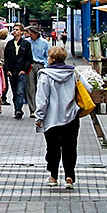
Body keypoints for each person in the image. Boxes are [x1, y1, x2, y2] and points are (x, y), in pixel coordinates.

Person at [33, 44, 82, 189]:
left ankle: (53, 176)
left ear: (53, 59)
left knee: (52, 147)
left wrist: (39, 117)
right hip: (71, 116)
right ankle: (69, 177)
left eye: (48, 56)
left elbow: (42, 99)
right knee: (70, 147)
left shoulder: (45, 75)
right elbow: (87, 88)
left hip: (52, 118)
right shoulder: (74, 73)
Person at [3, 24, 33, 119]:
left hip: (21, 71)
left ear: (21, 32)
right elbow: (6, 58)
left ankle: (18, 110)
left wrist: (24, 70)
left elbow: (29, 58)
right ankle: (17, 108)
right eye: (14, 29)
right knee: (15, 91)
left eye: (17, 30)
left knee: (20, 91)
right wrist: (7, 70)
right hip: (12, 71)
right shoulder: (9, 44)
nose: (15, 31)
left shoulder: (26, 44)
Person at [25, 25, 49, 111]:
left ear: (36, 34)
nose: (30, 36)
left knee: (40, 88)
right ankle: (32, 109)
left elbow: (47, 55)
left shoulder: (44, 43)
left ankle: (40, 107)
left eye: (32, 34)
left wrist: (46, 67)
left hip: (40, 65)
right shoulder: (27, 42)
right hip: (30, 65)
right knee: (30, 87)